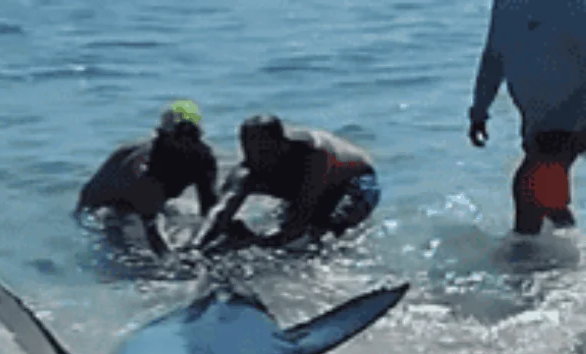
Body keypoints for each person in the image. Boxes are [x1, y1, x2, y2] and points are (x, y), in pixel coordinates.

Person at [468, 0, 586, 235]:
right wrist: (479, 111)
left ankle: (523, 262)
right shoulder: (505, 6)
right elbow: (493, 58)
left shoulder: (575, 7)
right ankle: (571, 254)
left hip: (571, 119)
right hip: (535, 122)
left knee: (527, 188)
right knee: (548, 199)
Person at [190, 114, 380, 251]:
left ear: (282, 144)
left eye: (264, 150)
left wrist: (255, 243)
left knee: (321, 233)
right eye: (248, 148)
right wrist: (196, 247)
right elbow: (221, 210)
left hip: (353, 182)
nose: (256, 158)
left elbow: (300, 219)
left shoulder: (312, 155)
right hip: (304, 188)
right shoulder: (246, 171)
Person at [73, 100, 218, 256]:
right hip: (110, 201)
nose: (186, 142)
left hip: (151, 199)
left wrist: (201, 244)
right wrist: (169, 259)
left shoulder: (204, 158)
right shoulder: (145, 168)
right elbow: (150, 227)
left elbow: (209, 207)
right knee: (138, 250)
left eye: (192, 134)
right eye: (179, 134)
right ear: (162, 136)